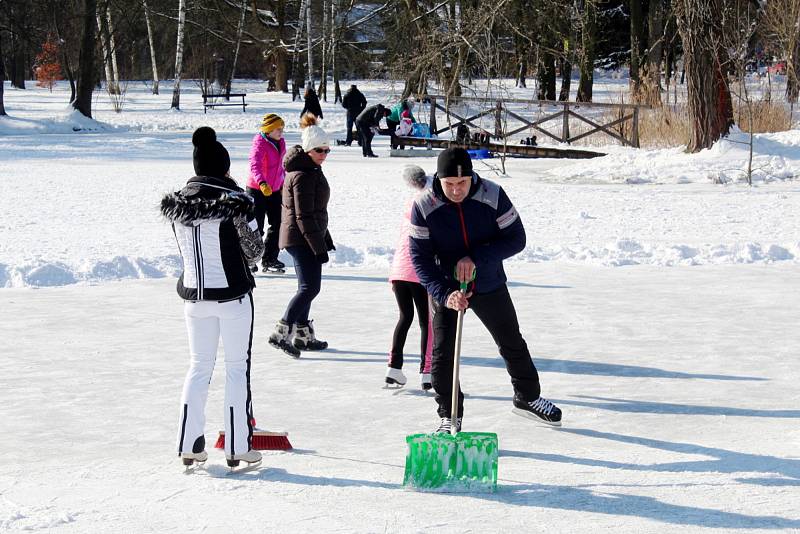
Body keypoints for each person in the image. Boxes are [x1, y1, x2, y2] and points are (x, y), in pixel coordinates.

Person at [408, 147, 563, 433]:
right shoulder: (424, 205)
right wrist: (444, 294)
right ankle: (449, 414)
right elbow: (419, 259)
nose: (456, 190)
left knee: (511, 341)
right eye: (449, 184)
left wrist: (477, 257)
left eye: (462, 183)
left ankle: (527, 397)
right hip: (446, 287)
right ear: (438, 180)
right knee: (444, 353)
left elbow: (517, 238)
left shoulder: (492, 195)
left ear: (472, 177)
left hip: (488, 281)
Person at [161, 126, 264, 469]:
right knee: (237, 368)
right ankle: (238, 445)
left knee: (198, 367)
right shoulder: (235, 204)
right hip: (233, 296)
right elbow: (254, 251)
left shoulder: (178, 207)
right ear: (224, 168)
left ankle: (189, 445)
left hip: (193, 297)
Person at [268, 113, 335, 358]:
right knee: (309, 288)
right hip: (301, 238)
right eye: (320, 150)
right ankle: (281, 332)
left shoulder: (310, 169)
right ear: (308, 150)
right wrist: (318, 246)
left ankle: (303, 336)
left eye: (328, 150)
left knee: (307, 286)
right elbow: (303, 215)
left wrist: (323, 238)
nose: (324, 155)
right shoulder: (303, 175)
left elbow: (315, 211)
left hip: (306, 236)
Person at [386, 165, 433, 390]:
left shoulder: (410, 203)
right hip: (418, 272)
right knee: (428, 323)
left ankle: (393, 368)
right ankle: (428, 372)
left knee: (405, 318)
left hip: (398, 271)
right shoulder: (430, 204)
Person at [246, 113, 287, 273]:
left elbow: (281, 166)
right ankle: (250, 260)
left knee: (278, 223)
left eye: (282, 128)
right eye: (278, 129)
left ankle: (270, 259)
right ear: (268, 130)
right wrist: (262, 182)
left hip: (275, 189)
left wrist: (282, 183)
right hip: (257, 189)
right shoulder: (259, 143)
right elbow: (254, 165)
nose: (281, 132)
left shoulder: (281, 142)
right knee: (256, 227)